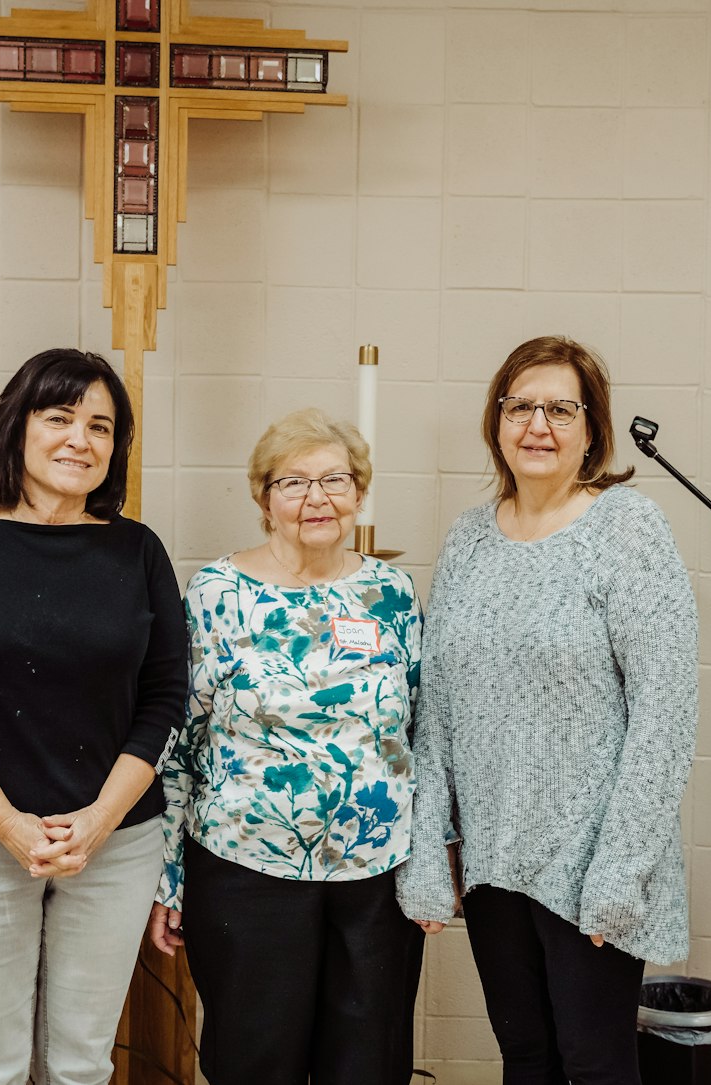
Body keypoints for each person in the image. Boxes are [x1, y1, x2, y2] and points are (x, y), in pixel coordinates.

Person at [397, 336, 698, 1085]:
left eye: (562, 408)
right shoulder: (469, 537)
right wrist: (428, 850)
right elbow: (434, 712)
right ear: (496, 421)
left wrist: (620, 867)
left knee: (594, 1064)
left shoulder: (626, 528)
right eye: (521, 405)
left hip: (591, 858)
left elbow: (666, 714)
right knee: (525, 1060)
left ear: (592, 427)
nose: (539, 424)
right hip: (495, 859)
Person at [0, 348, 186, 1085]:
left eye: (101, 425)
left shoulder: (137, 551)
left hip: (114, 841)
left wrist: (96, 820)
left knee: (82, 1060)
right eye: (58, 417)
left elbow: (166, 699)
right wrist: (11, 825)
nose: (79, 439)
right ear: (15, 427)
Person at [148, 407, 424, 1085]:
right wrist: (170, 877)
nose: (316, 498)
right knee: (252, 1064)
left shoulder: (392, 593)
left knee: (368, 1068)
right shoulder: (216, 593)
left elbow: (422, 728)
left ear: (360, 492)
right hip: (245, 875)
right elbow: (179, 743)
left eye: (335, 479)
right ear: (263, 496)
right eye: (293, 482)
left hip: (375, 879)